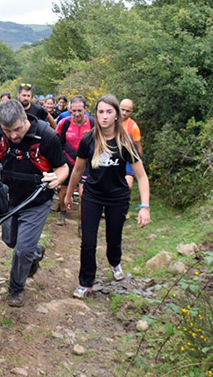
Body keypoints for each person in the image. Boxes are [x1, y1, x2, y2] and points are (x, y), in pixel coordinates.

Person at [0, 100, 68, 307]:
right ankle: (35, 251)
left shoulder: (47, 136)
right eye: (7, 130)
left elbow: (62, 167)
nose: (13, 136)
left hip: (37, 201)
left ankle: (16, 288)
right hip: (9, 199)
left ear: (25, 118)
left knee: (21, 250)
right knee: (11, 241)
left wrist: (57, 179)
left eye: (17, 129)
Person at [64, 95, 151, 299]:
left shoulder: (126, 141)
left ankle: (114, 261)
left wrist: (144, 206)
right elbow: (77, 170)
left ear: (116, 116)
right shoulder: (89, 139)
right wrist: (69, 194)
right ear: (95, 114)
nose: (104, 117)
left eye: (109, 112)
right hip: (92, 195)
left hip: (117, 198)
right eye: (100, 112)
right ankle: (85, 283)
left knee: (114, 239)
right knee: (88, 241)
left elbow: (141, 175)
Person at [55, 95, 93, 226]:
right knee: (64, 190)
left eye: (79, 110)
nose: (76, 114)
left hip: (86, 163)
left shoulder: (93, 123)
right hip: (68, 161)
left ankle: (83, 223)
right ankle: (63, 211)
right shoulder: (64, 123)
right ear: (70, 110)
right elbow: (57, 143)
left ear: (85, 109)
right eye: (73, 111)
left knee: (84, 193)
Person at [120, 98, 144, 191]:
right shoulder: (111, 122)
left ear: (131, 112)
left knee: (128, 185)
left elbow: (138, 146)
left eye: (127, 111)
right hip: (113, 156)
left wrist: (139, 162)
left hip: (127, 158)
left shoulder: (133, 127)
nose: (124, 113)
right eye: (122, 109)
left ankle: (126, 200)